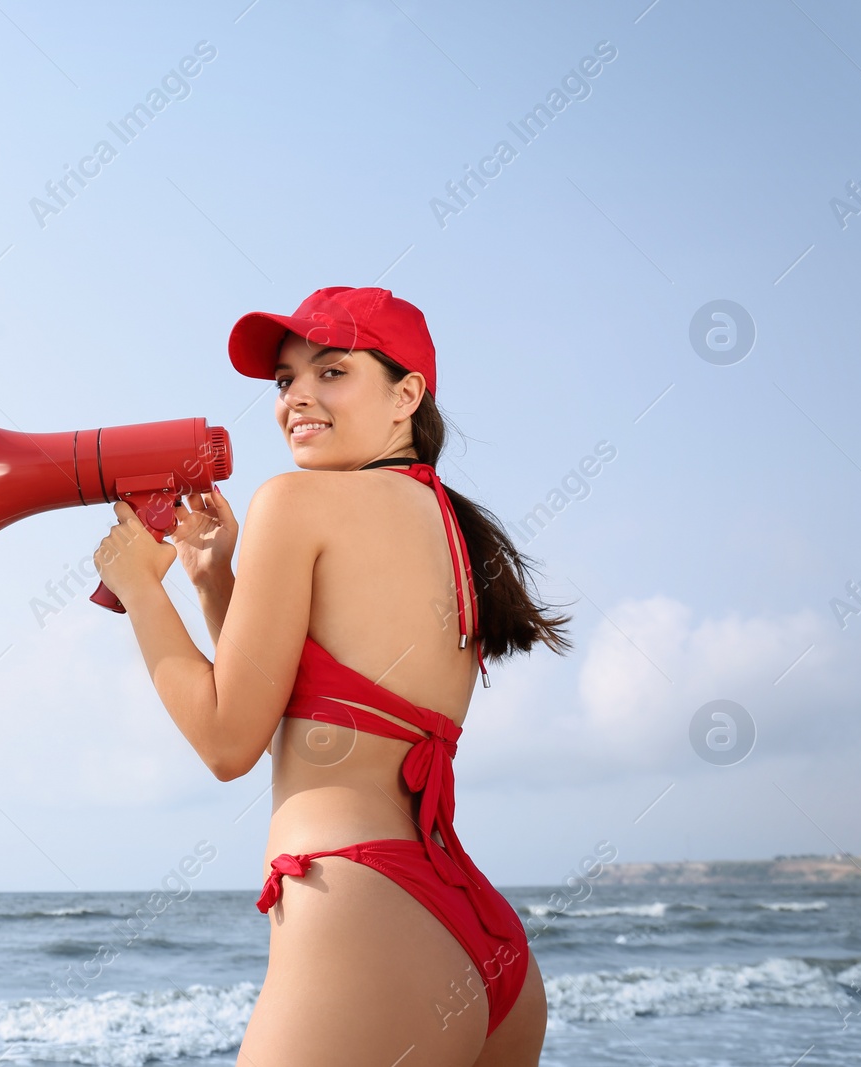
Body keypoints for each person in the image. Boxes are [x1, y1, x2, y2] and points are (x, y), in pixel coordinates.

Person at [93, 286, 572, 1066]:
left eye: (332, 371)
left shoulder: (298, 500)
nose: (297, 399)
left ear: (405, 395)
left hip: (361, 916)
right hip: (480, 942)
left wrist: (141, 587)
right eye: (285, 381)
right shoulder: (452, 525)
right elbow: (311, 694)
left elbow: (226, 740)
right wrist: (215, 580)